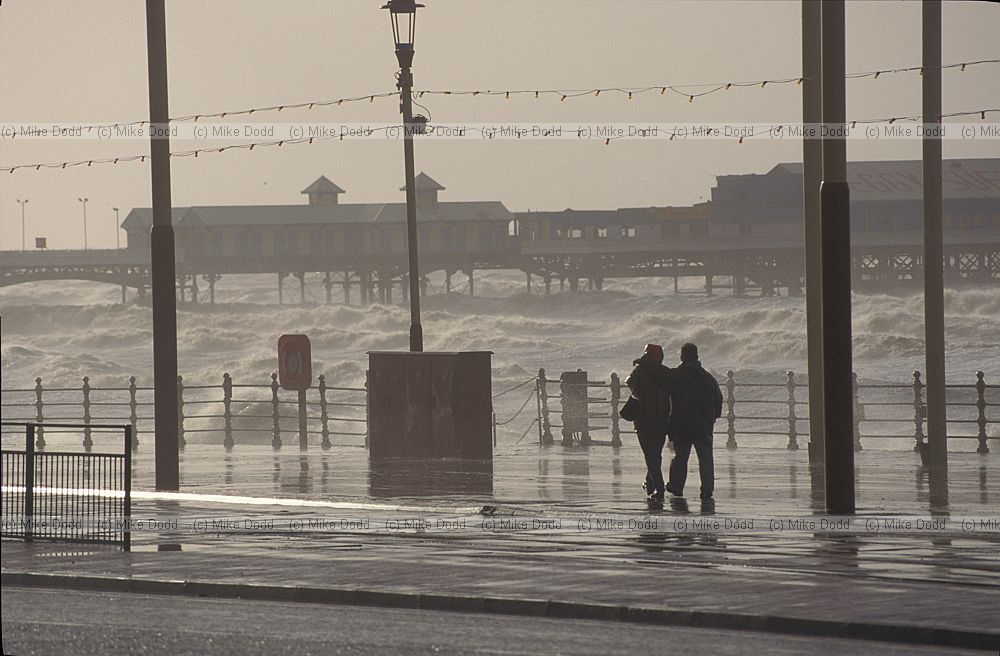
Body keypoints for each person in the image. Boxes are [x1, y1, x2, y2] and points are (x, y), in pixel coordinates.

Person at [665, 343, 723, 500]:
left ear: (683, 356)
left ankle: (676, 486)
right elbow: (718, 399)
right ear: (696, 356)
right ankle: (707, 489)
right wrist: (712, 418)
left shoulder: (676, 375)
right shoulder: (707, 378)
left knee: (680, 457)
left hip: (681, 424)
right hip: (703, 425)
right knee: (705, 458)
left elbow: (666, 398)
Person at [625, 343, 672, 501]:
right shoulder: (665, 373)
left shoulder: (640, 370)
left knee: (650, 455)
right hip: (662, 419)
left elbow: (630, 383)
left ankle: (658, 487)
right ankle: (651, 482)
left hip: (643, 420)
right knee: (656, 455)